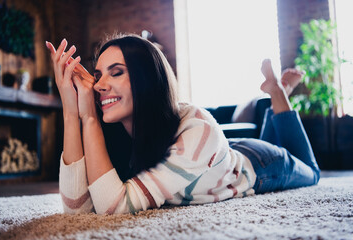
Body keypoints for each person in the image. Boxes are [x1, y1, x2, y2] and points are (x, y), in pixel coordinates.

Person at [45, 34, 320, 215]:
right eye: (97, 75)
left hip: (257, 166)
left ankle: (278, 93)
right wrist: (71, 111)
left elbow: (112, 208)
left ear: (147, 79)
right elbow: (77, 210)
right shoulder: (115, 126)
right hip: (206, 160)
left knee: (312, 173)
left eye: (116, 73)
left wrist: (89, 117)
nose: (100, 85)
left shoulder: (199, 129)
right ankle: (277, 95)